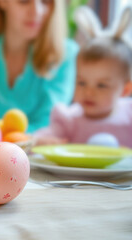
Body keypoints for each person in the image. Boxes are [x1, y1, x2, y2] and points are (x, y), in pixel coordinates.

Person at [0, 0, 79, 132]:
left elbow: (48, 125)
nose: (36, 11)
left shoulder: (65, 54)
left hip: (33, 152)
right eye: (24, 2)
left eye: (46, 2)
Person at [35, 6, 132, 147]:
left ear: (125, 90)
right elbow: (41, 139)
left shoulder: (129, 116)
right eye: (81, 83)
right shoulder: (69, 119)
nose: (88, 92)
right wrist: (39, 141)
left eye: (101, 85)